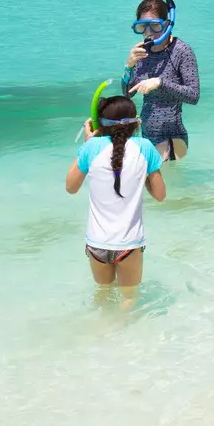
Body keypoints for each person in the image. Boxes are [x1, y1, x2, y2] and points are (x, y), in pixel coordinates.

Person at [66, 94, 165, 288]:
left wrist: (87, 144)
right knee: (129, 299)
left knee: (102, 297)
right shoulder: (145, 147)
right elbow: (160, 195)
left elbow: (70, 187)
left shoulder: (92, 147)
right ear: (136, 123)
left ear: (100, 124)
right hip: (129, 244)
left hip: (97, 243)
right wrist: (143, 172)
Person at [124, 0, 198, 161]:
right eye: (142, 27)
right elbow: (128, 94)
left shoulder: (181, 51)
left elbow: (193, 95)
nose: (148, 33)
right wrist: (128, 66)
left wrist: (160, 83)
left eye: (155, 26)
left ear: (167, 24)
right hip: (147, 138)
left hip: (171, 139)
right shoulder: (142, 52)